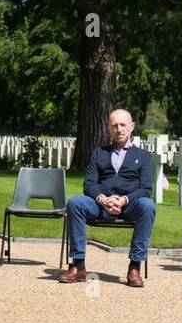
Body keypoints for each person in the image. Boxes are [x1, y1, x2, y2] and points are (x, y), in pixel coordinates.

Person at [60, 109, 156, 288]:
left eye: (123, 125)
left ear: (132, 127)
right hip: (100, 205)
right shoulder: (99, 153)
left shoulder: (144, 157)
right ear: (108, 128)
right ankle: (78, 265)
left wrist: (123, 200)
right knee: (75, 202)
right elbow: (89, 184)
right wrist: (104, 200)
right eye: (114, 125)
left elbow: (146, 189)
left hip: (129, 206)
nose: (119, 129)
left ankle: (134, 267)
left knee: (148, 206)